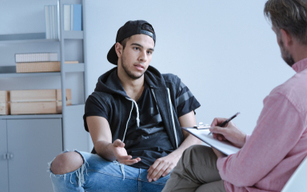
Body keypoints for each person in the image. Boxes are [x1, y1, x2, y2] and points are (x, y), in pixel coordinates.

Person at [162, 0, 307, 191]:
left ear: (285, 36)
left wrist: (217, 149)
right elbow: (294, 144)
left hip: (272, 186)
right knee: (193, 157)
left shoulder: (290, 96)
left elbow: (241, 174)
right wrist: (245, 140)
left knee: (196, 173)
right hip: (303, 184)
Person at [48, 20, 202, 191]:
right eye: (136, 48)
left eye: (149, 51)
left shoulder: (171, 85)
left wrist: (173, 158)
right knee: (64, 162)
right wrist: (114, 151)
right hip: (120, 174)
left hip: (167, 176)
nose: (143, 57)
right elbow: (101, 142)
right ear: (119, 49)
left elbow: (195, 135)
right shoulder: (99, 99)